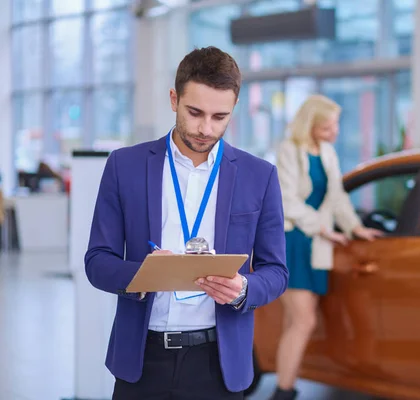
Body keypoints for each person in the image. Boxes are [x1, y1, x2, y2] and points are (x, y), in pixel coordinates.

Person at [84, 46, 288, 400]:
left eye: (219, 117)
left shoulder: (260, 177)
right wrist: (142, 276)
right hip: (142, 361)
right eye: (195, 112)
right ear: (174, 99)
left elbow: (276, 271)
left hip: (218, 363)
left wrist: (242, 289)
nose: (206, 129)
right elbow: (97, 260)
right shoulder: (124, 166)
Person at [270, 94, 383, 400]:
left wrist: (355, 227)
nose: (335, 131)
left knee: (295, 322)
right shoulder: (290, 150)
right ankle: (284, 391)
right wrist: (323, 229)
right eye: (329, 126)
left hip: (316, 242)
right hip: (295, 240)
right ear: (313, 124)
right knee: (303, 320)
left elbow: (337, 197)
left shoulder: (329, 153)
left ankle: (284, 385)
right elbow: (287, 200)